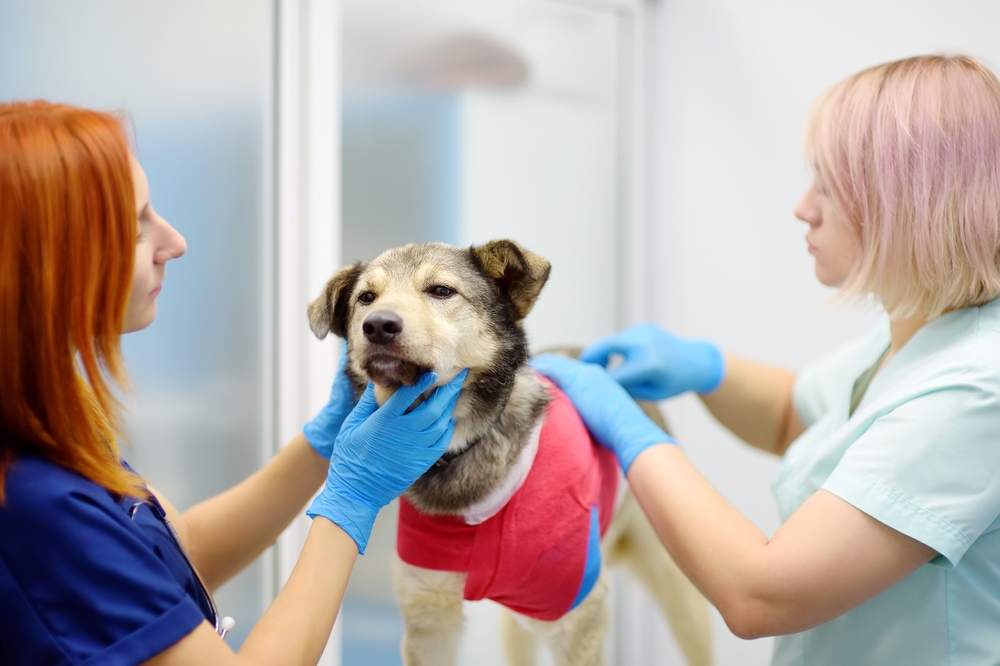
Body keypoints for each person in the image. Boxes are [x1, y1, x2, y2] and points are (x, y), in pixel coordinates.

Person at [532, 54, 1000, 664]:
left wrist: (629, 430)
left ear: (910, 204)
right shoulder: (921, 327)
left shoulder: (975, 389)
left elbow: (759, 595)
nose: (804, 207)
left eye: (828, 185)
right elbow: (793, 416)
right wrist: (706, 369)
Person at [0, 101, 466, 666]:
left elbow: (179, 554)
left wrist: (323, 446)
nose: (174, 242)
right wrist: (353, 498)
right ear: (48, 264)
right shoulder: (34, 504)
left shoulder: (44, 425)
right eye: (138, 226)